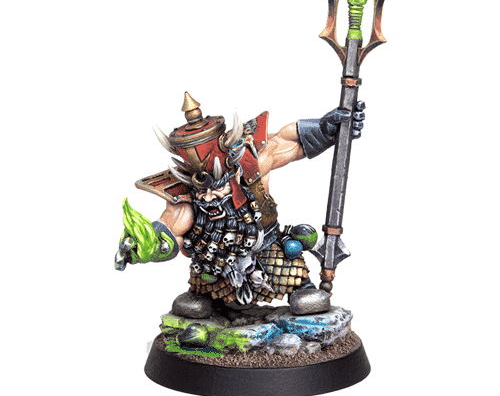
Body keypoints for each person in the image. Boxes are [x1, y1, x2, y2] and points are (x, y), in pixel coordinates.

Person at [115, 92, 365, 317]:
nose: (209, 198)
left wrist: (327, 129)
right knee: (199, 298)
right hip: (214, 263)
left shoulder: (252, 163)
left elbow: (290, 142)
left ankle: (301, 286)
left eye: (217, 188)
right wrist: (140, 246)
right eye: (202, 192)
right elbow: (167, 234)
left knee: (300, 292)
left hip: (266, 250)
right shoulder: (184, 199)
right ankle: (211, 300)